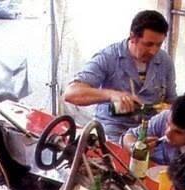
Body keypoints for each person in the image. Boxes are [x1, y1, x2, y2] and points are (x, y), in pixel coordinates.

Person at [63, 10, 177, 142]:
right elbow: (70, 94)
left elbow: (171, 101)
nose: (154, 51)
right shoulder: (108, 57)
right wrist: (111, 95)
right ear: (133, 37)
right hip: (113, 131)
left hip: (149, 132)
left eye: (159, 44)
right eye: (148, 44)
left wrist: (170, 111)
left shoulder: (165, 61)